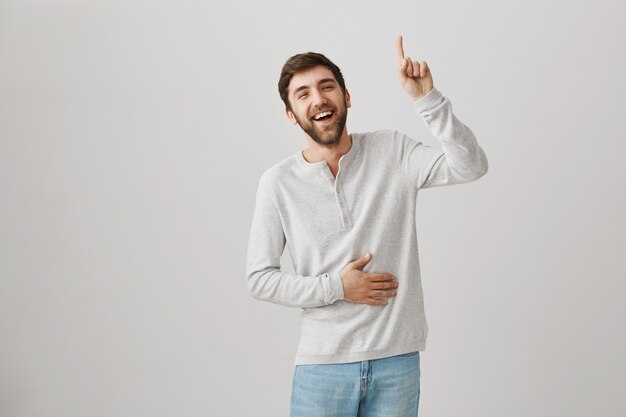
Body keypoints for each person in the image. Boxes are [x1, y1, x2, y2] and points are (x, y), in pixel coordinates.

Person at [245, 35, 488, 417]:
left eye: (327, 87)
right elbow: (259, 277)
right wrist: (336, 287)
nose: (318, 99)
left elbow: (470, 165)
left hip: (397, 361)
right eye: (303, 94)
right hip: (322, 366)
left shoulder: (393, 150)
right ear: (291, 114)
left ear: (346, 96)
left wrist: (427, 99)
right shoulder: (277, 183)